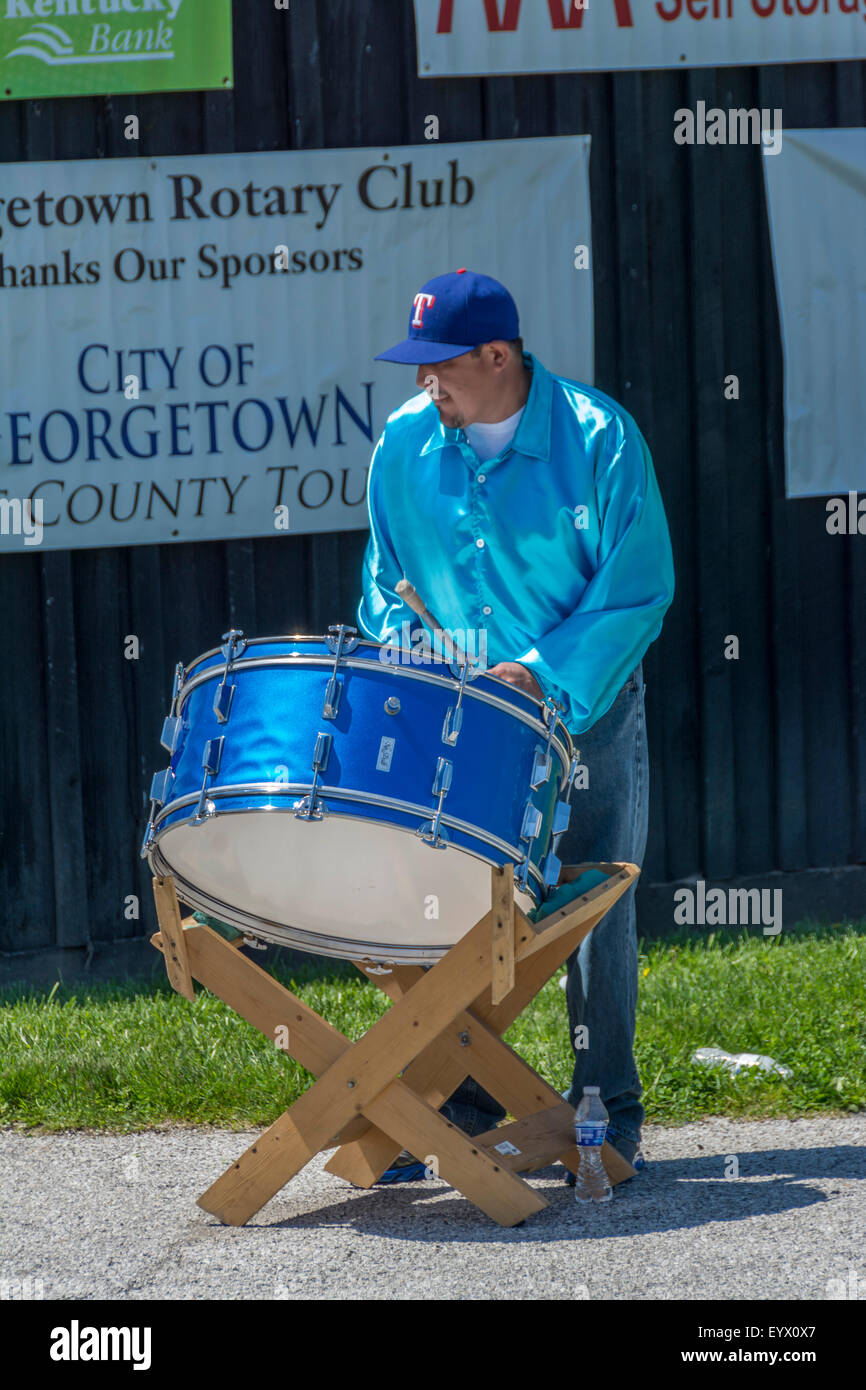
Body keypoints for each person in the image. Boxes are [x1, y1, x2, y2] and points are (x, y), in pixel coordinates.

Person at [356, 269, 675, 1182]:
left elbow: (637, 589)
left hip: (586, 711)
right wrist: (419, 655)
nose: (427, 385)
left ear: (499, 355)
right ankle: (454, 1107)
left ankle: (605, 1114)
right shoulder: (405, 445)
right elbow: (383, 582)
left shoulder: (601, 439)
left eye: (440, 366)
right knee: (446, 899)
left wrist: (537, 677)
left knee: (588, 908)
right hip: (458, 716)